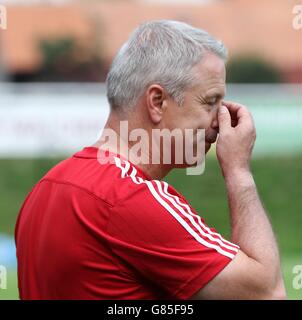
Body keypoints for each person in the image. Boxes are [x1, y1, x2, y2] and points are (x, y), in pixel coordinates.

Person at [15, 20, 286, 299]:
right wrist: (239, 171)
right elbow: (267, 292)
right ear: (157, 102)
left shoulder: (46, 188)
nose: (220, 120)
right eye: (209, 102)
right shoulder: (129, 198)